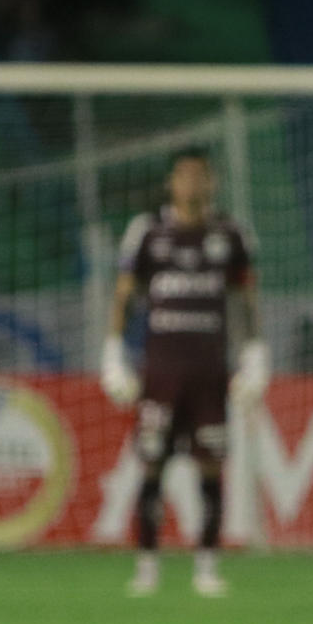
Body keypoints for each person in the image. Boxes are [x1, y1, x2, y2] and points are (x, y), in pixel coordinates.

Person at [100, 146, 265, 598]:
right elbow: (124, 295)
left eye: (201, 176)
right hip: (161, 372)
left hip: (211, 371)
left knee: (211, 466)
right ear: (171, 182)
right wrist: (113, 352)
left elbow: (245, 299)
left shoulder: (230, 234)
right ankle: (147, 565)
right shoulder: (148, 232)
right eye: (185, 176)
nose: (193, 184)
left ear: (211, 183)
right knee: (151, 463)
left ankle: (207, 566)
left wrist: (254, 355)